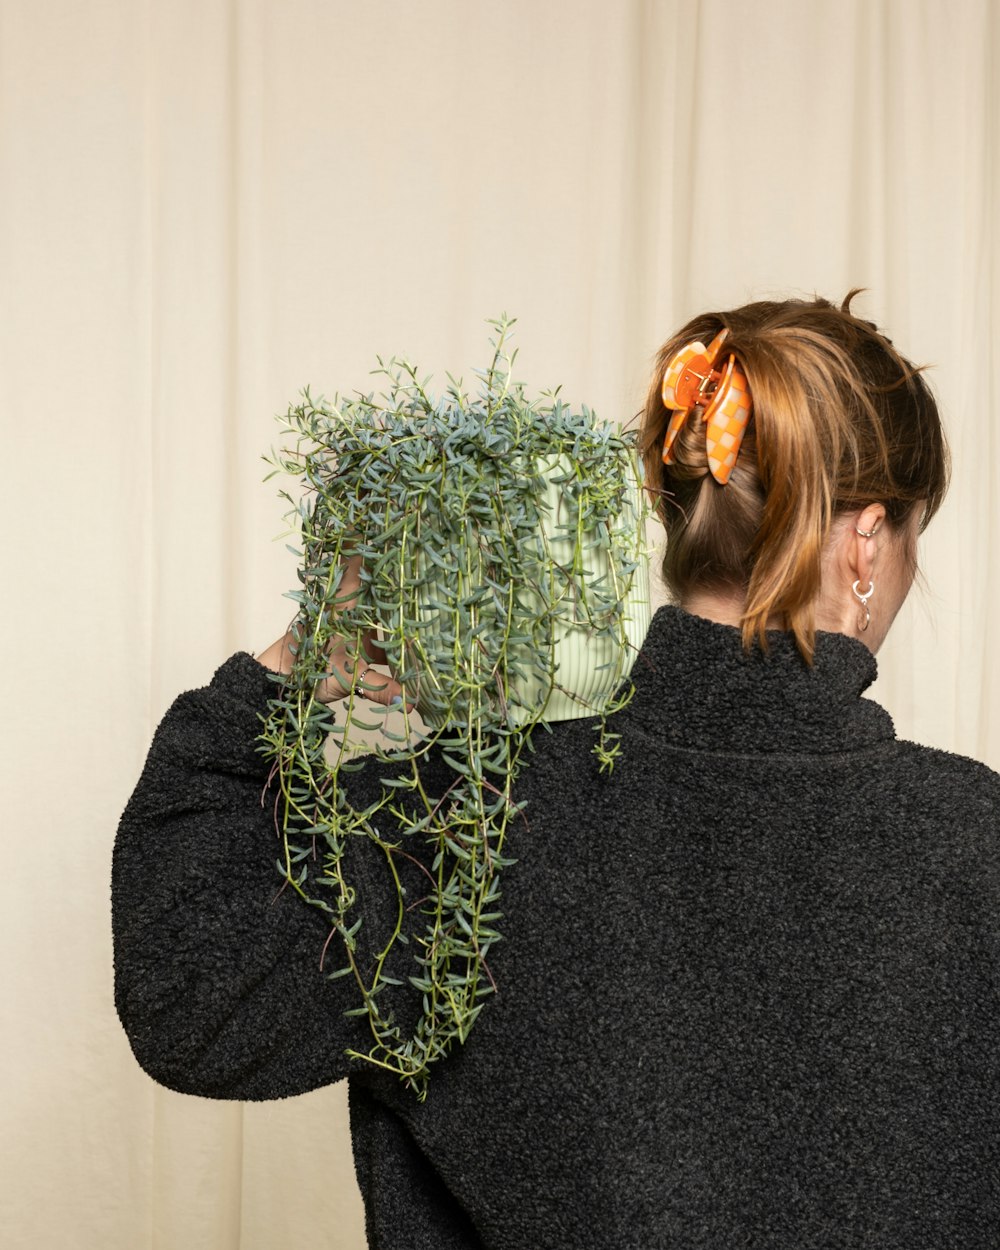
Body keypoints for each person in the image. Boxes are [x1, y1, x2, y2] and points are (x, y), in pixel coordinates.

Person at [113, 293, 1000, 1249]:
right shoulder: (976, 841)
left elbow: (192, 1002)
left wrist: (300, 662)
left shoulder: (469, 816)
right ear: (868, 538)